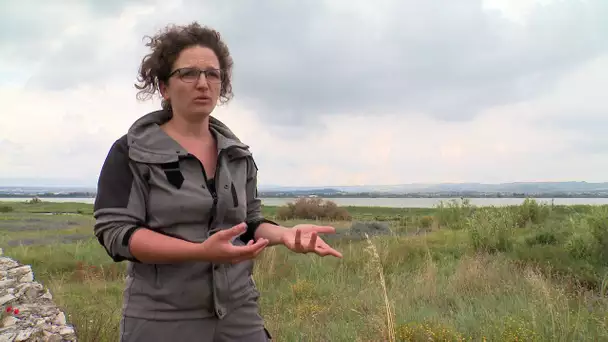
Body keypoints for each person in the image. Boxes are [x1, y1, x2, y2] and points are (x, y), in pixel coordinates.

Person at [93, 22, 343, 342]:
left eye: (213, 74)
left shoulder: (237, 154)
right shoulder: (131, 152)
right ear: (164, 87)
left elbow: (249, 221)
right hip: (162, 317)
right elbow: (116, 233)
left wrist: (285, 235)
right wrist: (199, 251)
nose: (203, 83)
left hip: (238, 312)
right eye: (188, 73)